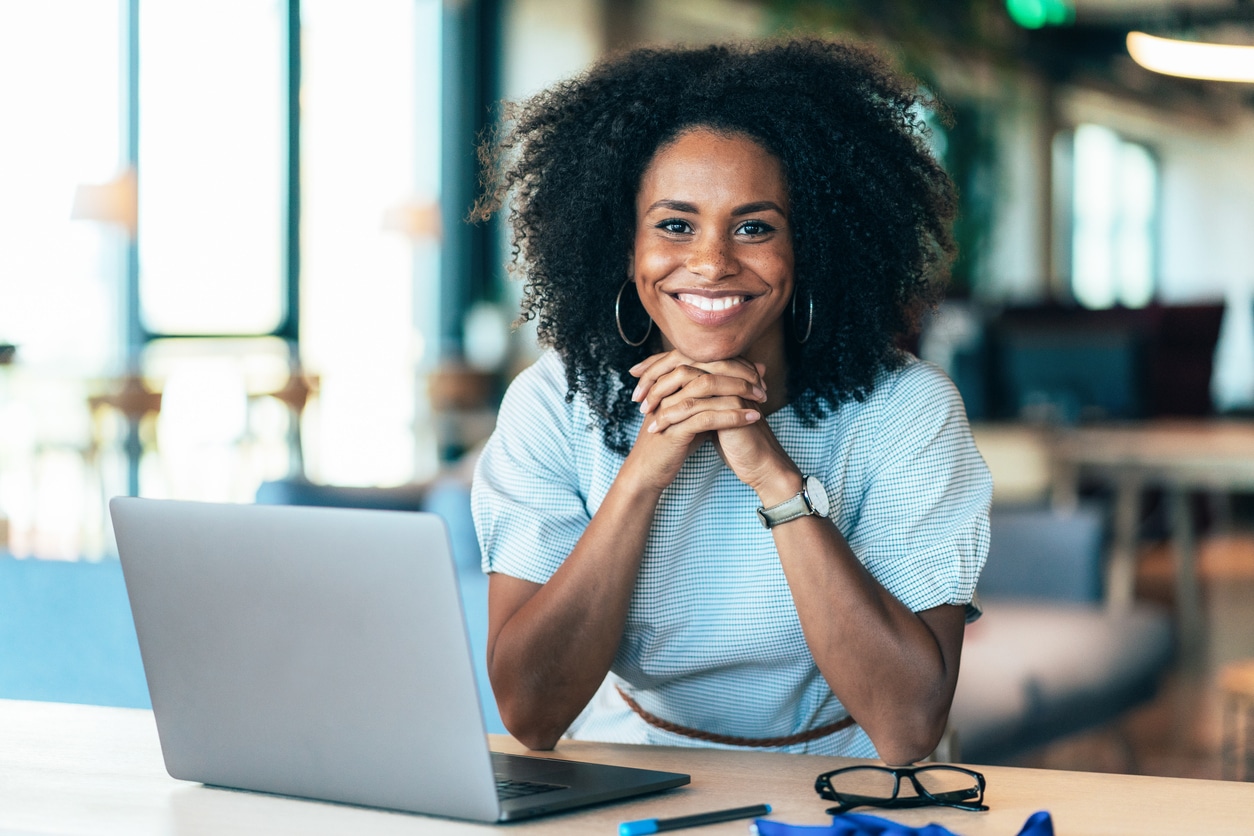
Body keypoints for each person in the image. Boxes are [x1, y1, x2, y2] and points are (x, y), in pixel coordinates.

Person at [469, 37, 992, 765]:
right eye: (675, 225)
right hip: (628, 769)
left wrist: (774, 476)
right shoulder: (556, 403)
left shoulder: (905, 410)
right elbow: (531, 713)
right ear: (625, 246)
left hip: (844, 780)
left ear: (808, 246)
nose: (712, 262)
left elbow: (906, 726)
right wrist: (645, 471)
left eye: (754, 227)